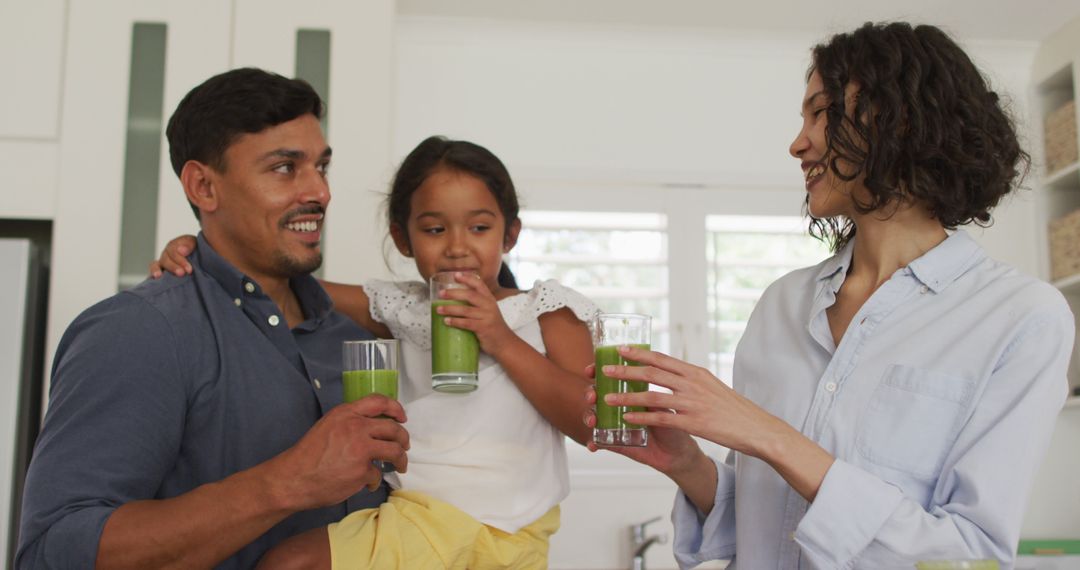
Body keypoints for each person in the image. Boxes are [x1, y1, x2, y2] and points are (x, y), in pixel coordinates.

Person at [586, 22, 1074, 568]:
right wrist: (688, 465)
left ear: (900, 117)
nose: (799, 143)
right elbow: (757, 527)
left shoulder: (1021, 318)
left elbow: (970, 553)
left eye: (823, 113)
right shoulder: (781, 305)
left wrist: (768, 435)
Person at [16, 68, 410, 570]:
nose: (320, 192)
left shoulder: (355, 335)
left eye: (321, 167)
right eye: (285, 168)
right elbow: (53, 553)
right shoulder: (139, 332)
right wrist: (285, 482)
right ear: (203, 186)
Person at [151, 135, 598, 568]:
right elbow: (283, 285)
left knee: (291, 562)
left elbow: (589, 423)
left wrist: (499, 338)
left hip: (508, 528)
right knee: (289, 558)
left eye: (480, 228)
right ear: (404, 239)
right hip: (423, 517)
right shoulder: (404, 307)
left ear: (510, 235)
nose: (458, 247)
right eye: (434, 229)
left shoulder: (545, 310)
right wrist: (202, 255)